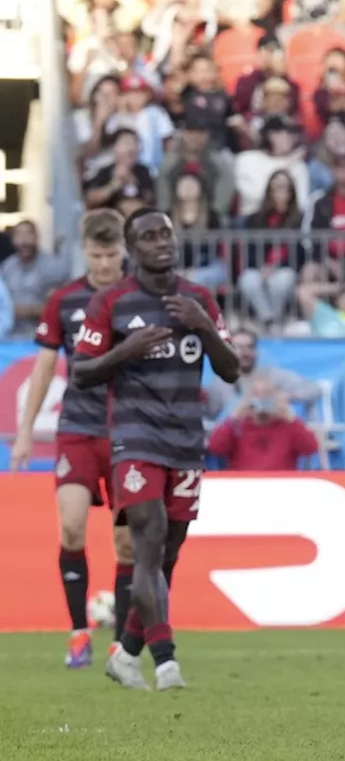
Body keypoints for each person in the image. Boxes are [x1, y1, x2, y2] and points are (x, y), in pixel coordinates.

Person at [73, 208, 239, 691]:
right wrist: (127, 350)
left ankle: (125, 653)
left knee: (168, 554)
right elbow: (82, 371)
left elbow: (231, 371)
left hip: (186, 440)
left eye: (166, 233)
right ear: (132, 247)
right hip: (136, 438)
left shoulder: (198, 298)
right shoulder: (112, 301)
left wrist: (204, 326)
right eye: (148, 236)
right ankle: (165, 661)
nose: (161, 242)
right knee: (148, 541)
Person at [11, 210, 132, 668]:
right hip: (78, 429)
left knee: (127, 543)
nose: (104, 264)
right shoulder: (64, 300)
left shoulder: (138, 299)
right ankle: (79, 632)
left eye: (111, 253)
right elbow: (45, 367)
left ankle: (122, 642)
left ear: (123, 249)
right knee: (72, 525)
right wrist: (25, 432)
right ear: (83, 251)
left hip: (128, 432)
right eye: (96, 255)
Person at [207, 378, 321, 471]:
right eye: (256, 394)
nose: (261, 399)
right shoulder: (238, 426)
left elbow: (310, 448)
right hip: (243, 487)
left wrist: (291, 419)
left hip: (282, 487)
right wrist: (233, 418)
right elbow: (215, 447)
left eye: (267, 394)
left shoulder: (288, 425)